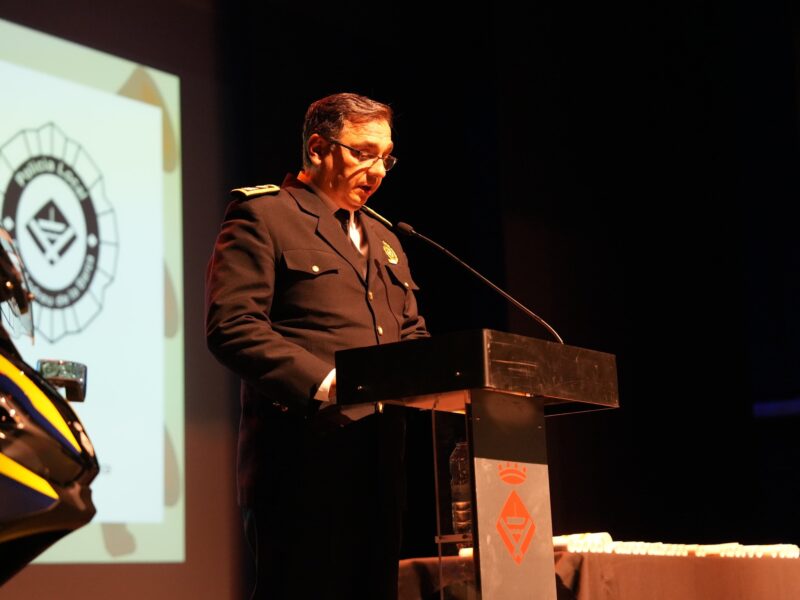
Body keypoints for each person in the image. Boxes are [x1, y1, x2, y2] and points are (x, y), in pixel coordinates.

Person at [205, 93, 428, 599]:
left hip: (380, 462)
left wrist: (443, 376)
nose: (378, 170)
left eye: (386, 156)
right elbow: (232, 325)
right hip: (302, 459)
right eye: (363, 153)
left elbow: (411, 333)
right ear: (317, 147)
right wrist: (329, 384)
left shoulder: (386, 238)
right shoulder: (263, 215)